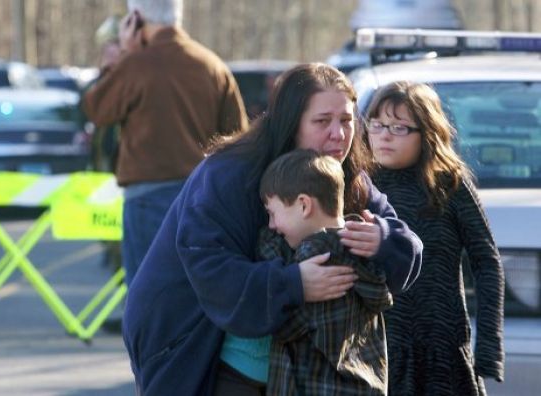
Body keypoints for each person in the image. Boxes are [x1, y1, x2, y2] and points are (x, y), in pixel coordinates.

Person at [123, 63, 422, 395]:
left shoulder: (344, 174)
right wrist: (293, 284)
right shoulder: (228, 174)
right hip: (189, 343)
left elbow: (406, 247)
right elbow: (211, 268)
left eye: (347, 120)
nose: (338, 134)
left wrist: (384, 240)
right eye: (322, 121)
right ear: (290, 123)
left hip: (293, 370)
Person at [83, 0, 248, 286]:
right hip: (203, 199)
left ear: (135, 19)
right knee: (195, 293)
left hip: (147, 199)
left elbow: (96, 108)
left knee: (148, 297)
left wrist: (123, 53)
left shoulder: (135, 65)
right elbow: (239, 137)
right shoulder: (212, 65)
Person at [365, 81, 505, 395]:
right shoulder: (359, 185)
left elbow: (487, 262)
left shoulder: (450, 185)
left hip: (443, 349)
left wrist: (489, 347)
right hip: (379, 352)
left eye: (399, 127)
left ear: (427, 134)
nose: (384, 135)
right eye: (377, 124)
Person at [214, 149, 392, 395]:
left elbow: (283, 326)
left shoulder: (317, 256)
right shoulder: (360, 249)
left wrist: (281, 281)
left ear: (304, 205)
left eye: (273, 213)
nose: (272, 225)